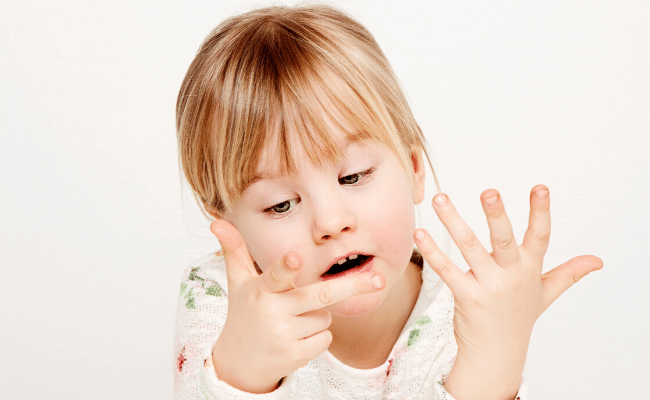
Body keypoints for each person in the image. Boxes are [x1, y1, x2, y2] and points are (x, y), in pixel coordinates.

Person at [173, 4, 602, 399]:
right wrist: (241, 375)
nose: (331, 221)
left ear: (414, 167)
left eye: (354, 176)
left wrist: (496, 355)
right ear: (226, 223)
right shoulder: (223, 303)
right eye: (281, 204)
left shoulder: (469, 314)